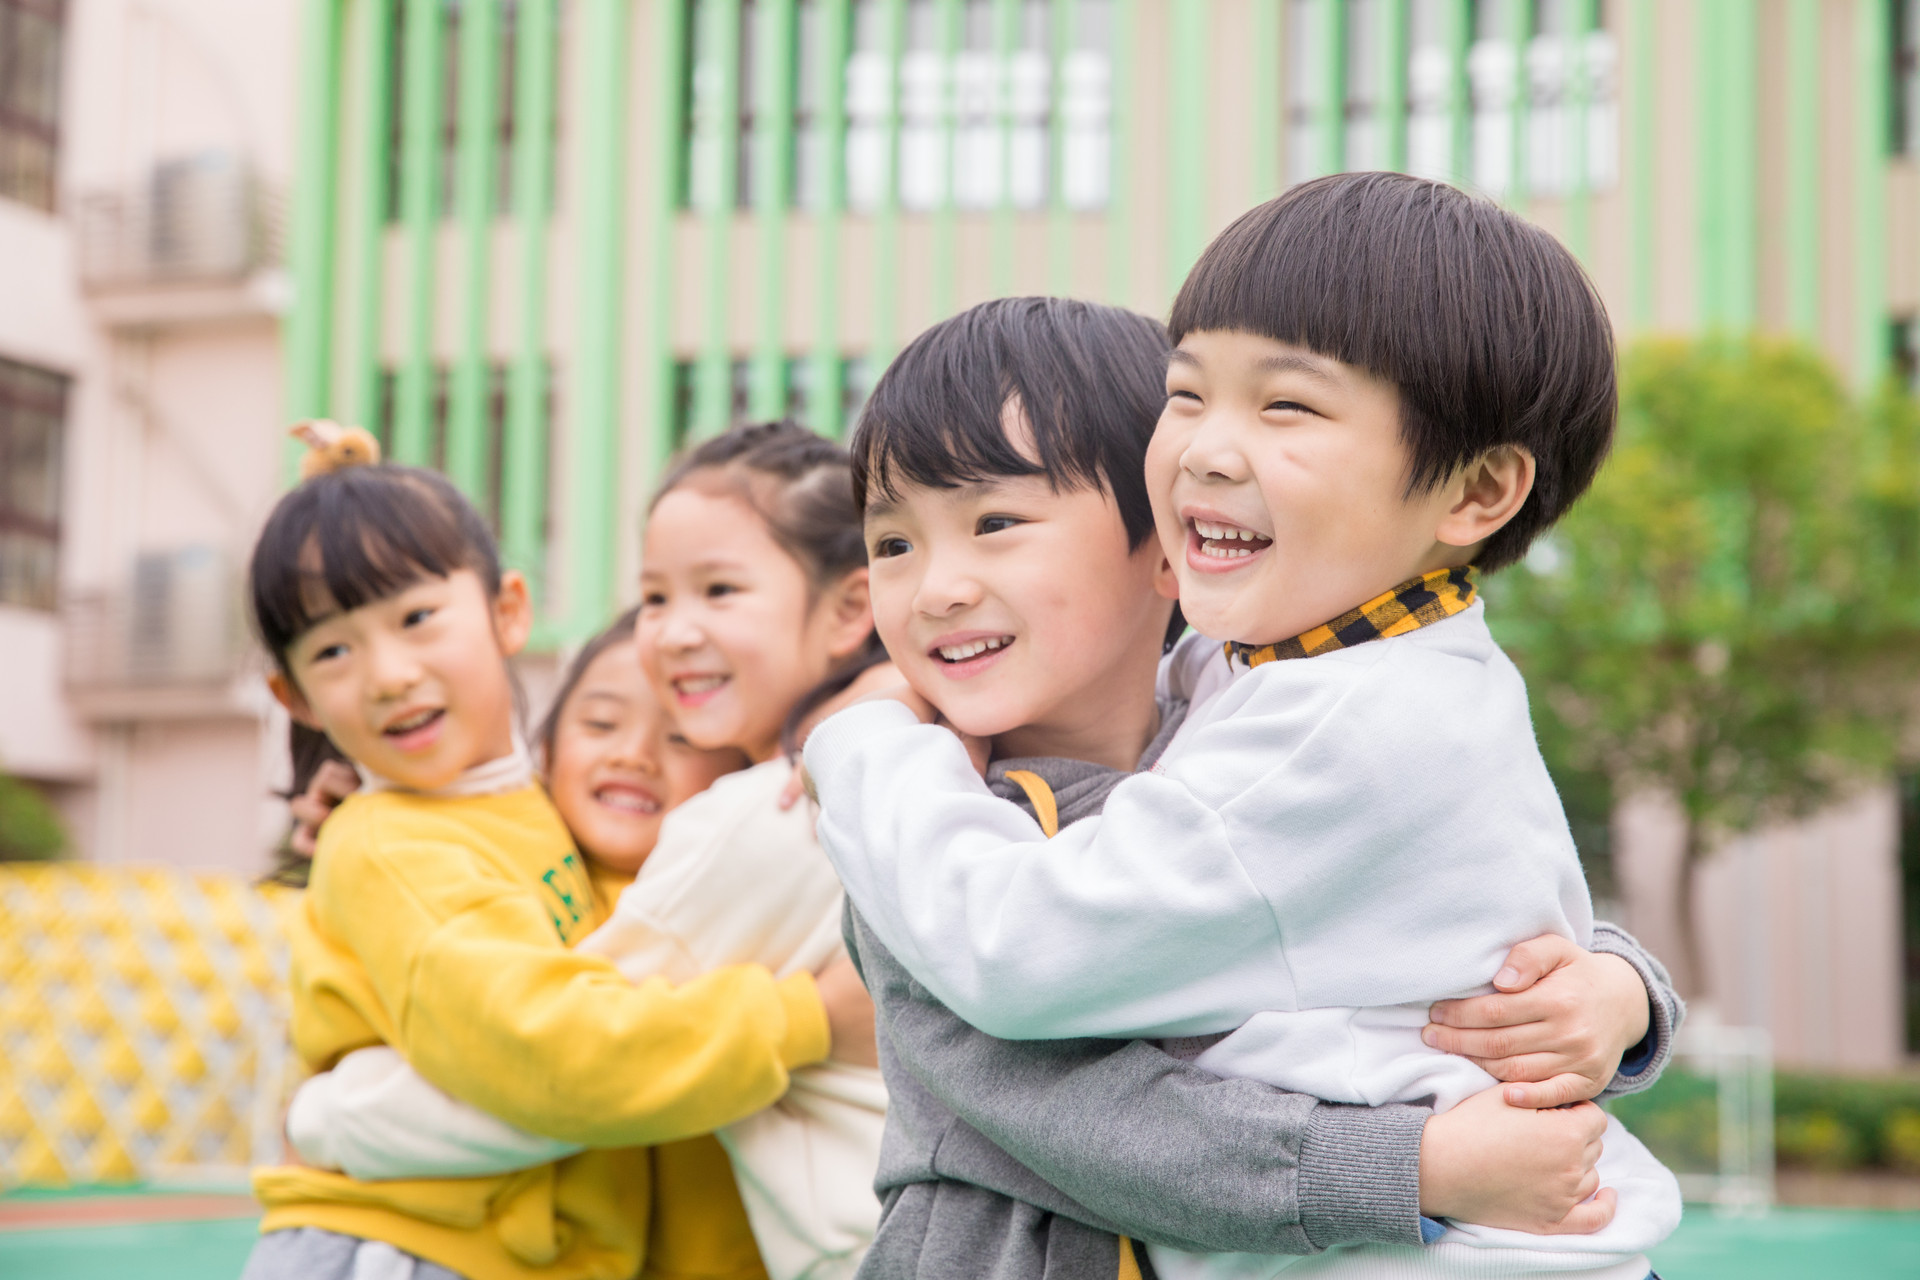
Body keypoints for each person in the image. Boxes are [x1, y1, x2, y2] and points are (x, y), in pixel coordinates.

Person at [805, 184, 1683, 1280]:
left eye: (1287, 408)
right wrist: (1622, 991)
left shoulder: (1337, 720)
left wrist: (863, 741)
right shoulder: (1297, 678)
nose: (1208, 452)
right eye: (1188, 394)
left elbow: (1015, 953)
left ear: (1476, 491)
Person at [284, 433, 895, 1280]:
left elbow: (564, 1065)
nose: (678, 633)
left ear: (846, 610)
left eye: (720, 590)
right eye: (653, 596)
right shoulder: (860, 778)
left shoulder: (774, 814)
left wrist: (334, 1113)